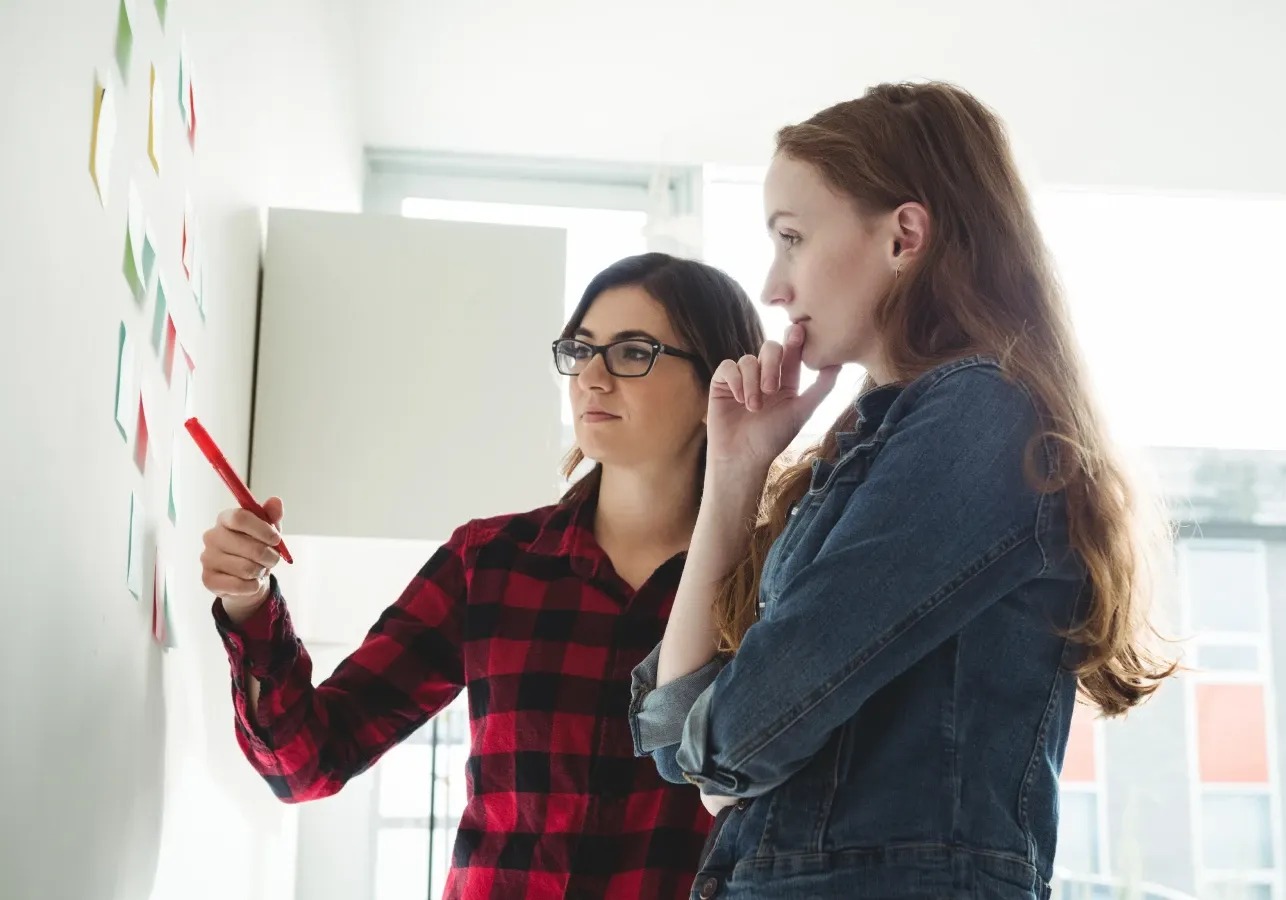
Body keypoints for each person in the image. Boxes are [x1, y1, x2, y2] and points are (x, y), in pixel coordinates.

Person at [628, 82, 1178, 899]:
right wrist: (734, 478)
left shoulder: (983, 418)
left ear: (904, 236)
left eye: (792, 238)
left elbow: (733, 742)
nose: (774, 286)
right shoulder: (878, 442)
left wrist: (726, 750)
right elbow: (681, 735)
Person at [201, 253, 766, 900]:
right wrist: (247, 603)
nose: (591, 378)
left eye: (633, 352)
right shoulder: (490, 563)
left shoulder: (775, 581)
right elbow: (308, 762)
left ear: (717, 385)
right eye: (580, 351)